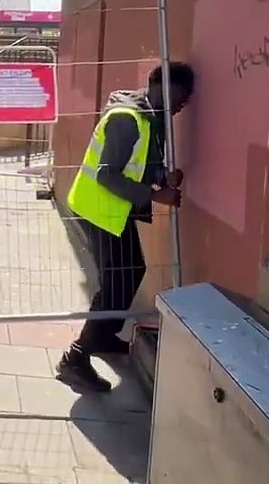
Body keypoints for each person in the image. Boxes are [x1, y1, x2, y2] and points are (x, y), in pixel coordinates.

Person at [55, 61, 195, 392]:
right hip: (99, 210)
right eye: (181, 97)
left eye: (186, 101)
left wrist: (161, 176)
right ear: (164, 86)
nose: (181, 106)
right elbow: (107, 175)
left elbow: (140, 162)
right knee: (116, 284)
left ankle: (104, 334)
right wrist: (157, 196)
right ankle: (75, 359)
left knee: (132, 272)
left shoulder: (148, 117)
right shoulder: (127, 119)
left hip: (113, 211)